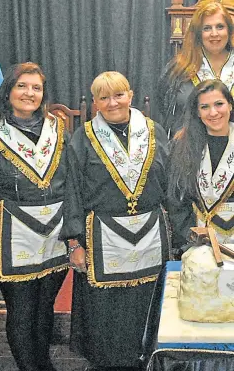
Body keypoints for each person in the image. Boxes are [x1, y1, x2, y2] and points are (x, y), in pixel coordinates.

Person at [60, 71, 171, 370]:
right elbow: (72, 189)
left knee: (146, 305)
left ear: (130, 95)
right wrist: (75, 243)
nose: (113, 103)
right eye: (104, 97)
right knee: (107, 313)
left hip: (149, 233)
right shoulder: (83, 137)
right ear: (95, 102)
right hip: (102, 237)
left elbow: (169, 182)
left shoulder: (153, 130)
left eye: (119, 95)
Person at [0, 62, 70, 371]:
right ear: (8, 90)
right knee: (21, 312)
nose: (29, 93)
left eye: (36, 87)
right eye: (22, 86)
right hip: (12, 238)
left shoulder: (58, 129)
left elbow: (70, 183)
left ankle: (43, 364)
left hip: (55, 235)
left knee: (44, 308)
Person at [168, 79, 234, 253]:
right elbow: (176, 201)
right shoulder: (183, 145)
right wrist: (191, 237)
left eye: (219, 104)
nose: (213, 112)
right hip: (198, 245)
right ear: (197, 112)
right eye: (204, 107)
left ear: (230, 106)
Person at [158, 1, 234, 139]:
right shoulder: (178, 69)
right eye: (207, 28)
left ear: (229, 30)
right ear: (198, 33)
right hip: (190, 151)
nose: (214, 33)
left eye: (220, 27)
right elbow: (164, 108)